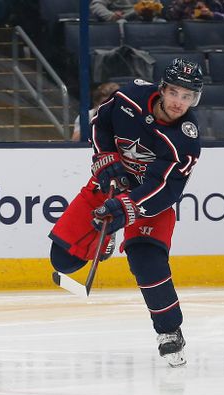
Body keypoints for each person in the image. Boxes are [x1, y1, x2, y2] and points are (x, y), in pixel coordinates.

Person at [49, 58, 204, 368]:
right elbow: (99, 124)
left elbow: (166, 190)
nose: (179, 102)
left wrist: (126, 208)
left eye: (188, 96)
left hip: (149, 202)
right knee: (62, 261)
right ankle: (104, 242)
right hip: (109, 184)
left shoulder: (185, 139)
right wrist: (105, 160)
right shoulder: (128, 98)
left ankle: (169, 331)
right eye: (175, 93)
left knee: (147, 261)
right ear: (162, 89)